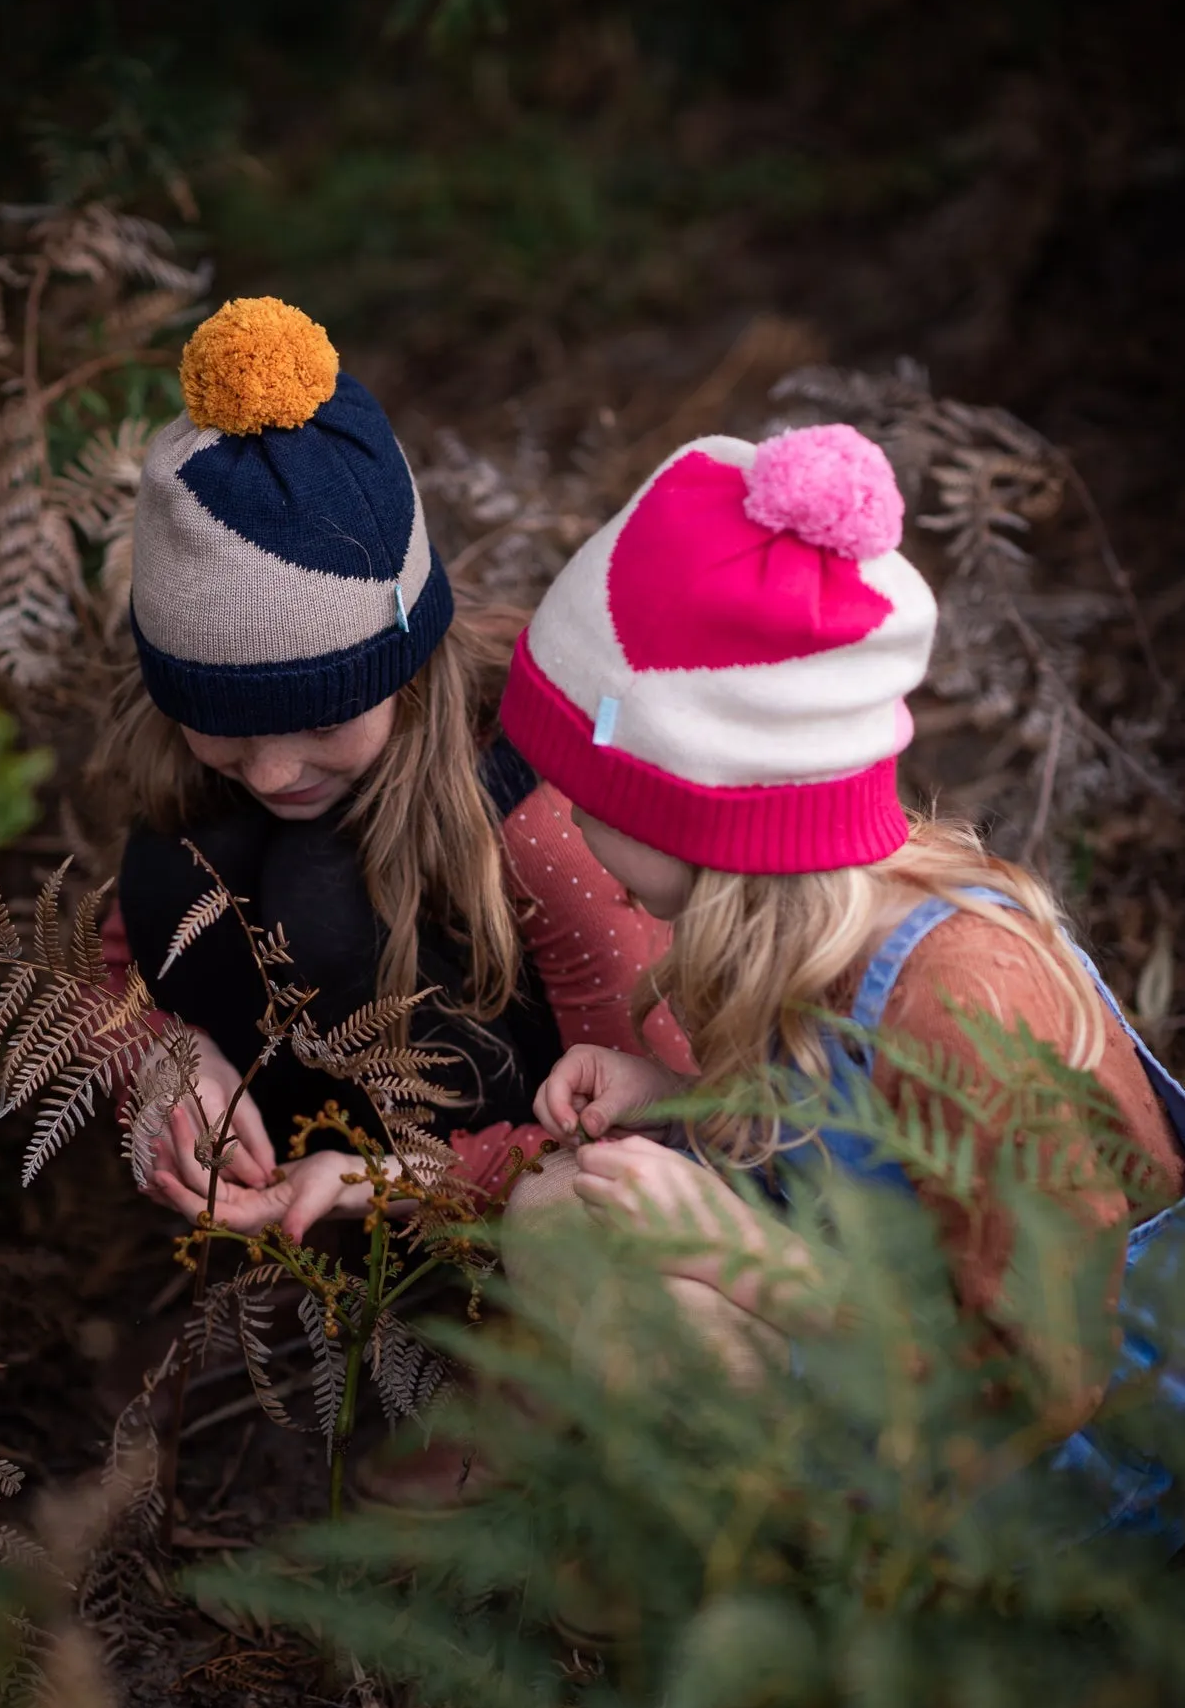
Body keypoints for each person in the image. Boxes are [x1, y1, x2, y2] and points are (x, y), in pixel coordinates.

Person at [500, 420, 1185, 1538]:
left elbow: (1038, 1368)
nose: (565, 816)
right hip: (882, 1352)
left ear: (698, 809)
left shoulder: (960, 996)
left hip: (1073, 1462)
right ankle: (749, 1559)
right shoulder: (800, 934)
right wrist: (677, 1098)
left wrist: (750, 1264)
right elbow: (854, 1160)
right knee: (560, 1210)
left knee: (666, 1304)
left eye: (590, 793)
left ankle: (845, 1630)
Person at [99, 294, 686, 1246]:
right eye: (225, 730)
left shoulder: (541, 808)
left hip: (499, 1185)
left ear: (405, 667)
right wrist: (160, 1054)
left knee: (324, 896)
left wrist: (388, 1180)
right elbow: (104, 970)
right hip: (293, 1182)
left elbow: (651, 1113)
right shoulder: (184, 760)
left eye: (322, 716)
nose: (273, 770)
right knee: (185, 860)